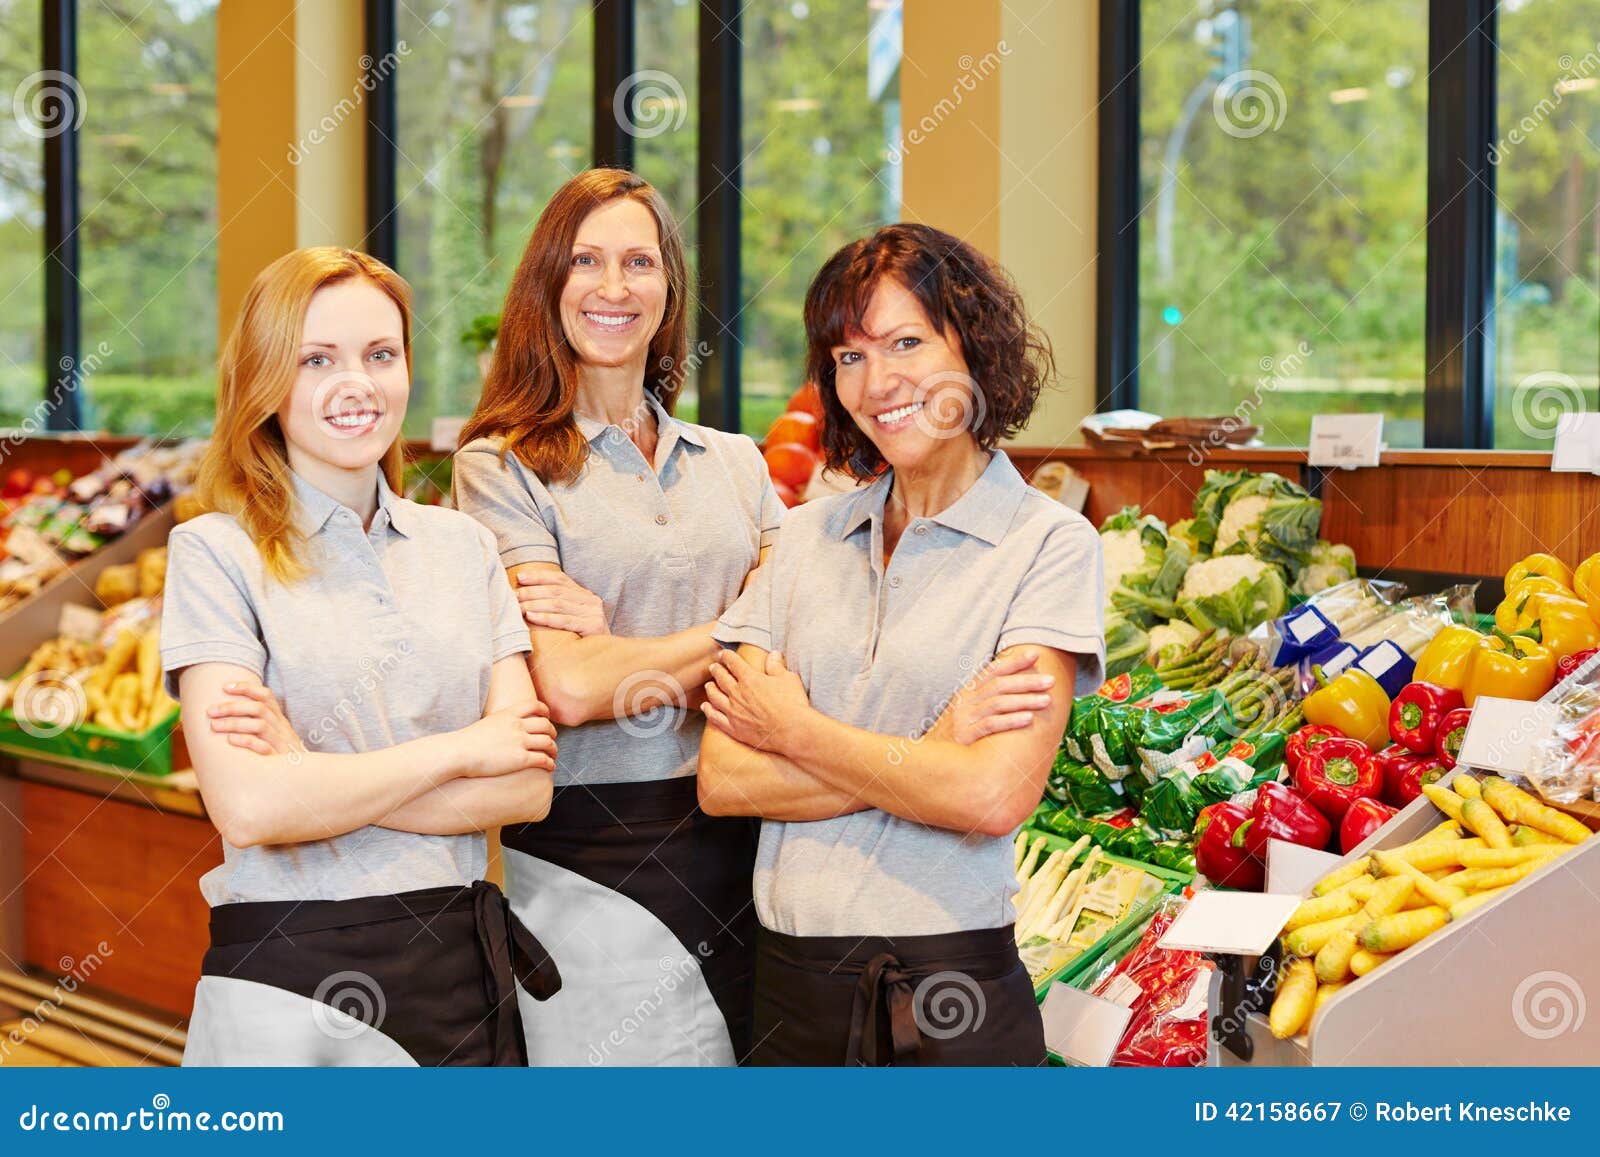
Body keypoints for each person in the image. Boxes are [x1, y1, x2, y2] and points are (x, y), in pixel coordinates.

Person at [700, 223, 1106, 1066]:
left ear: (974, 345)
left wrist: (797, 732)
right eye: (848, 357)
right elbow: (723, 779)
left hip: (949, 992)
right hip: (787, 986)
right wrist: (932, 749)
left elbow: (992, 796)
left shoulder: (1050, 545)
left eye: (905, 343)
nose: (877, 381)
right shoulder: (805, 538)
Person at [161, 247, 561, 1066]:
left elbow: (524, 784)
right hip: (284, 980)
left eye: (381, 354)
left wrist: (308, 766)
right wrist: (460, 750)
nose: (358, 384)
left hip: (457, 966)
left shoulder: (465, 547)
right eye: (317, 360)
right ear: (268, 379)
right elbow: (250, 809)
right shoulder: (214, 552)